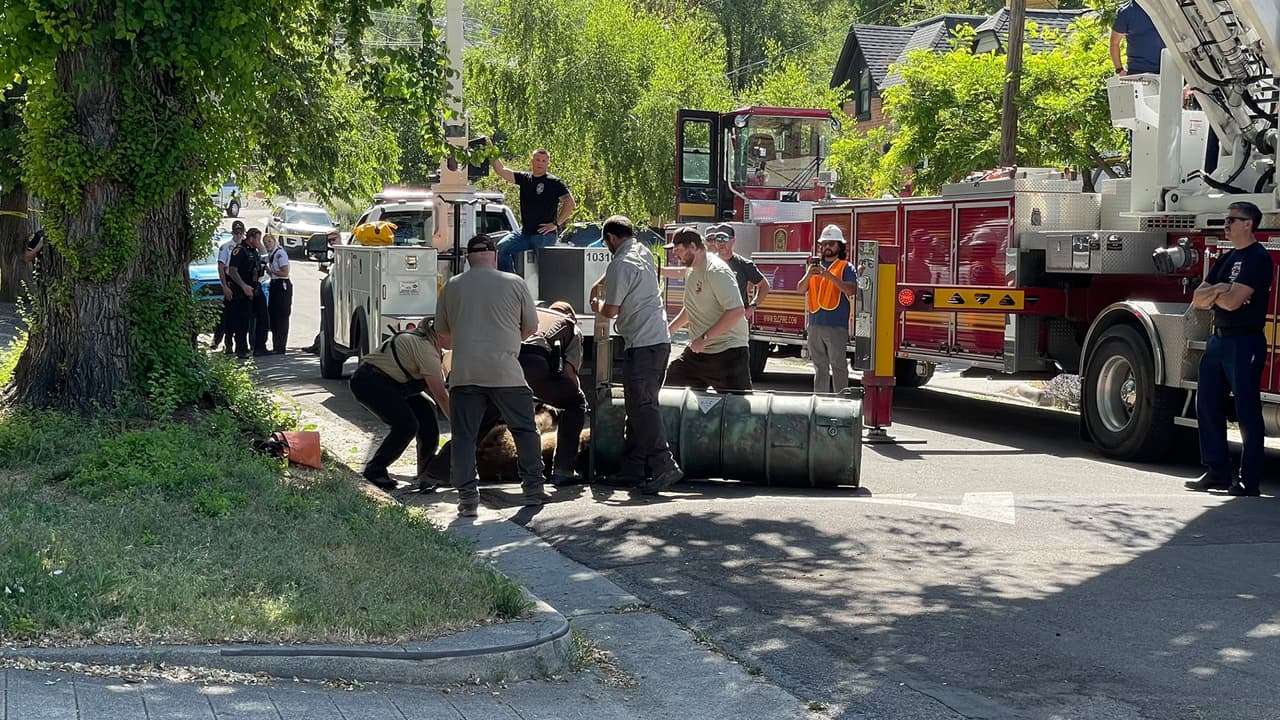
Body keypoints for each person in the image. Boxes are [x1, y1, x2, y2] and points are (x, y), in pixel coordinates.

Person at [436, 234, 547, 517]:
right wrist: (508, 339)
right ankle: (533, 490)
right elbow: (532, 327)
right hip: (506, 372)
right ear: (495, 257)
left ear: (467, 259)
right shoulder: (515, 283)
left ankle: (468, 499)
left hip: (465, 374)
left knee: (464, 437)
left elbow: (443, 337)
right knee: (525, 431)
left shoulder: (451, 286)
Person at [1185, 201, 1273, 497]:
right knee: (1208, 405)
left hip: (1244, 341)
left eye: (1231, 220)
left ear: (1248, 224)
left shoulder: (1258, 259)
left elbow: (1235, 302)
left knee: (1247, 411)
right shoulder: (1226, 257)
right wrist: (1221, 288)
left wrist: (1221, 294)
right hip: (1218, 339)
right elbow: (1198, 299)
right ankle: (1217, 471)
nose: (1226, 225)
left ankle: (1249, 480)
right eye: (1226, 221)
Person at [591, 215, 683, 494]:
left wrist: (596, 302)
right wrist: (601, 280)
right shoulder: (641, 251)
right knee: (638, 406)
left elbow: (611, 310)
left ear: (610, 239)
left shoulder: (620, 262)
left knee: (643, 407)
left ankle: (664, 464)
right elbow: (618, 269)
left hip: (642, 344)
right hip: (658, 342)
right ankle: (633, 468)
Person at [349, 321, 450, 491]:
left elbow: (431, 389)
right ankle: (375, 469)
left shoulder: (427, 342)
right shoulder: (426, 350)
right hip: (369, 381)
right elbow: (441, 395)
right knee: (406, 426)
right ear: (441, 334)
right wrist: (460, 428)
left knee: (427, 411)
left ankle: (427, 469)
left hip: (394, 383)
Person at [663, 228, 752, 393]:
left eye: (679, 250)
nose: (676, 255)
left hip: (728, 353)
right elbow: (692, 309)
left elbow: (736, 311)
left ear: (692, 247)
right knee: (671, 390)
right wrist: (669, 330)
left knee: (738, 412)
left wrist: (705, 338)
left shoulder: (716, 271)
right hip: (699, 353)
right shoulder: (692, 270)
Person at [521, 300, 589, 487]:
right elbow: (569, 372)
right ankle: (563, 471)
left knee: (487, 414)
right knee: (576, 404)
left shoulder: (536, 317)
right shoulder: (570, 326)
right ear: (572, 316)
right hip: (535, 363)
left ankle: (442, 469)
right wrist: (577, 392)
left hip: (507, 362)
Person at [491, 147, 577, 273]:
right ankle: (512, 283)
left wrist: (556, 224)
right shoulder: (525, 178)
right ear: (532, 161)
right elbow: (501, 170)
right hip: (524, 233)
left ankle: (548, 292)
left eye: (543, 161)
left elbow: (570, 203)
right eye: (537, 160)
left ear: (548, 164)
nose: (540, 163)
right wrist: (490, 149)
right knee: (501, 249)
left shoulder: (554, 182)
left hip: (544, 235)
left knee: (545, 271)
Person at [798, 224, 858, 394]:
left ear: (840, 246)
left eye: (831, 244)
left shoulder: (846, 267)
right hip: (815, 324)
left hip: (836, 325)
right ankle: (820, 401)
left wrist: (829, 276)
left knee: (838, 365)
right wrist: (809, 274)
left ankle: (841, 401)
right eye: (824, 244)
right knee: (819, 366)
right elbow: (800, 289)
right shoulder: (813, 268)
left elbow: (851, 290)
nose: (826, 247)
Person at [705, 223, 770, 324]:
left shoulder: (744, 264)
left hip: (737, 320)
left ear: (733, 241)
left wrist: (752, 307)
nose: (721, 243)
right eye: (718, 239)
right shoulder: (708, 264)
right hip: (714, 318)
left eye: (725, 239)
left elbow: (764, 286)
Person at [225, 226, 266, 359]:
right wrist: (243, 286)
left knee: (263, 317)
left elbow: (265, 261)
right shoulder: (239, 250)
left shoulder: (254, 251)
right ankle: (241, 349)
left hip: (255, 288)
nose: (259, 242)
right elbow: (232, 270)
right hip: (242, 290)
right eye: (257, 239)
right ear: (251, 238)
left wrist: (260, 247)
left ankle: (260, 347)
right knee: (242, 321)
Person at [210, 221, 244, 353]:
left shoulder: (246, 247)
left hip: (243, 283)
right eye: (236, 232)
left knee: (241, 316)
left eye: (241, 232)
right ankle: (226, 344)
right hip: (230, 283)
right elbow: (221, 267)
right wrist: (224, 286)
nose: (238, 235)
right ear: (232, 233)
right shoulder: (226, 247)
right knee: (228, 315)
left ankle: (241, 345)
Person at [1111, 1, 1165, 76]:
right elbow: (1114, 43)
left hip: (1170, 68)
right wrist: (1119, 70)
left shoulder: (1167, 7)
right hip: (1139, 72)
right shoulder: (1126, 12)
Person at [263, 233, 292, 354]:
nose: (267, 245)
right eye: (265, 243)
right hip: (274, 284)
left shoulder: (280, 254)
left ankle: (280, 346)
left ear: (274, 241)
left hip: (282, 285)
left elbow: (285, 272)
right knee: (274, 315)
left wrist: (271, 271)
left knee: (281, 316)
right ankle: (276, 346)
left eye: (269, 241)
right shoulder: (271, 254)